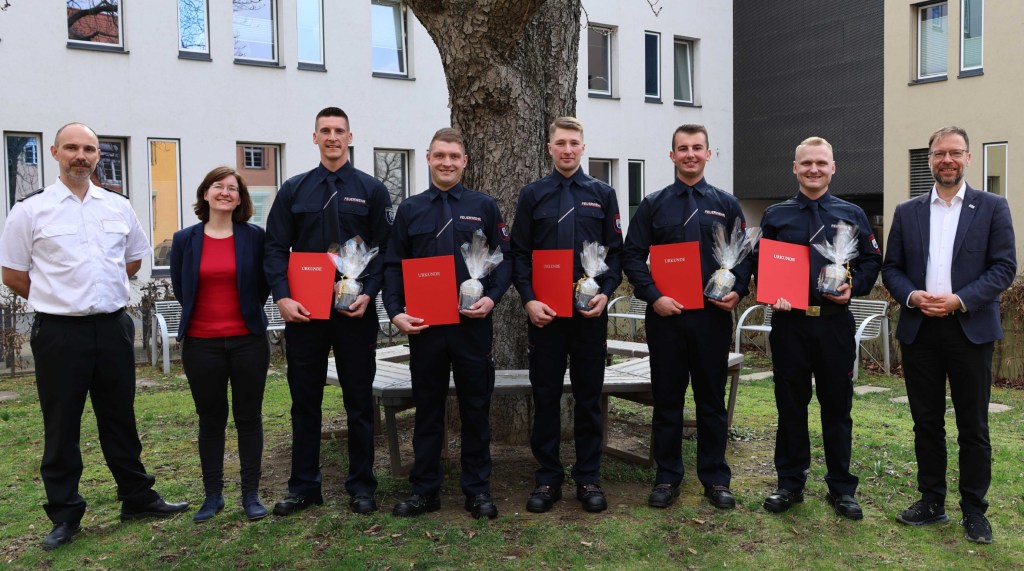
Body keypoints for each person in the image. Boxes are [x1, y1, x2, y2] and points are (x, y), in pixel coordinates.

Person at [0, 123, 188, 551]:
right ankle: (65, 514)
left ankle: (137, 497)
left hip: (113, 327)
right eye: (71, 148)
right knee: (62, 424)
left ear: (98, 155)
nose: (80, 155)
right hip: (59, 333)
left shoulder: (118, 206)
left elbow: (134, 259)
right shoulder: (31, 210)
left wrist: (98, 290)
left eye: (89, 149)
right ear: (55, 153)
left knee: (120, 418)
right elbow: (12, 273)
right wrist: (57, 296)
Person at [881, 126, 1015, 544]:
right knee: (926, 423)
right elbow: (892, 268)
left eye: (955, 153)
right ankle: (931, 501)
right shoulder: (908, 211)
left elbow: (1003, 267)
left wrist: (960, 299)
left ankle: (974, 510)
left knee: (973, 426)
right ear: (930, 160)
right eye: (940, 153)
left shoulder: (992, 207)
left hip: (969, 331)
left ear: (968, 158)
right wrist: (911, 295)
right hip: (920, 331)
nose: (947, 160)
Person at [263, 107, 392, 516]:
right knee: (304, 401)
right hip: (305, 313)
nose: (332, 137)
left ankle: (362, 485)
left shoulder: (372, 190)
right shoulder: (294, 190)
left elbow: (386, 251)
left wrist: (370, 293)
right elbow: (274, 248)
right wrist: (282, 297)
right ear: (314, 137)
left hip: (355, 311)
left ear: (350, 137)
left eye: (339, 131)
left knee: (359, 401)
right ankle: (304, 486)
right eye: (325, 130)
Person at [383, 128, 512, 519]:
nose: (447, 162)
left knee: (475, 408)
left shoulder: (483, 206)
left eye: (454, 156)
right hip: (425, 327)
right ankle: (425, 490)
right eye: (440, 155)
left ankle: (477, 490)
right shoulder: (410, 210)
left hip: (471, 325)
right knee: (427, 410)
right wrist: (395, 311)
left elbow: (505, 259)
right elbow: (393, 265)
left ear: (465, 161)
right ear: (428, 158)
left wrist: (491, 298)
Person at [622, 124, 752, 510]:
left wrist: (738, 292)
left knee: (711, 400)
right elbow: (632, 255)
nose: (690, 154)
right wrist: (654, 297)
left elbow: (745, 256)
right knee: (667, 400)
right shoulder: (653, 204)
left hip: (712, 318)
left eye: (697, 148)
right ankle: (667, 477)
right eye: (683, 148)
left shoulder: (726, 204)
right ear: (672, 155)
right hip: (666, 318)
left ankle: (715, 479)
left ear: (708, 154)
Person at [757, 136, 881, 520]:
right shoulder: (776, 215)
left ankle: (841, 489)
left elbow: (871, 261)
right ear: (795, 168)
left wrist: (853, 289)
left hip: (834, 325)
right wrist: (771, 293)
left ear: (833, 168)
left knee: (837, 408)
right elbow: (762, 265)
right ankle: (789, 484)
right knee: (790, 406)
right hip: (790, 324)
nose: (814, 169)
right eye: (807, 163)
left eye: (821, 163)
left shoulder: (852, 214)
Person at [509, 117, 622, 513]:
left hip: (589, 315)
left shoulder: (603, 194)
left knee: (589, 398)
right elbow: (519, 254)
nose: (568, 149)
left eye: (574, 142)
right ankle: (547, 478)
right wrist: (528, 300)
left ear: (583, 147)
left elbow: (615, 253)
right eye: (561, 143)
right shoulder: (533, 195)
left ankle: (588, 477)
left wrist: (605, 294)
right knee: (546, 397)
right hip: (546, 316)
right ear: (550, 148)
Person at [170, 167, 271, 523]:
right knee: (210, 420)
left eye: (233, 188)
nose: (225, 193)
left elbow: (262, 286)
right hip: (201, 345)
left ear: (241, 198)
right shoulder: (184, 239)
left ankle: (250, 495)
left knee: (248, 418)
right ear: (205, 193)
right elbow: (182, 288)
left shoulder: (254, 237)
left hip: (248, 342)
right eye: (218, 186)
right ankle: (212, 496)